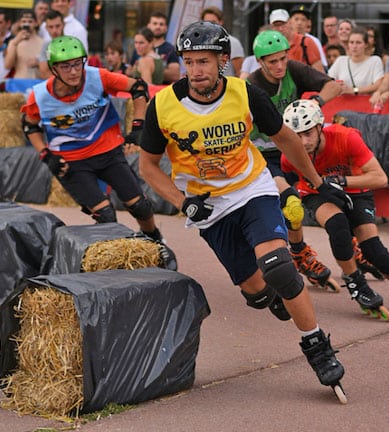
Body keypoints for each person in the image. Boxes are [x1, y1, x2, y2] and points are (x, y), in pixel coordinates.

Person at [138, 21, 348, 400]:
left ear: (222, 61)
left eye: (204, 61)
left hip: (252, 188)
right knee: (255, 291)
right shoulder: (164, 105)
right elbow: (148, 166)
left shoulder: (245, 93)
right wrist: (182, 202)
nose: (196, 70)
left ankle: (316, 346)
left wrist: (317, 183)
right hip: (208, 207)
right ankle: (270, 297)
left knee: (280, 268)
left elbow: (284, 138)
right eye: (189, 62)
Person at [20, 36, 177, 270]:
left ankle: (154, 239)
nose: (74, 71)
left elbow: (138, 87)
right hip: (71, 163)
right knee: (106, 216)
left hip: (107, 152)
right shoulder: (40, 95)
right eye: (66, 66)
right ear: (54, 68)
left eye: (77, 63)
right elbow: (30, 126)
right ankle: (113, 265)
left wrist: (137, 127)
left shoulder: (97, 76)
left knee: (141, 207)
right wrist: (46, 155)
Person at [281, 99, 389, 320]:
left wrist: (340, 180)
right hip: (316, 193)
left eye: (308, 133)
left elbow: (380, 177)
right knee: (337, 224)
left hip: (355, 188)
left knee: (372, 249)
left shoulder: (346, 137)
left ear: (320, 126)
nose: (303, 142)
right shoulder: (289, 154)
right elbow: (288, 183)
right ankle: (355, 282)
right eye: (296, 136)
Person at [247, 29, 341, 291]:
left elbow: (335, 85)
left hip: (292, 149)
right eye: (272, 61)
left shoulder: (293, 70)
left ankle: (354, 247)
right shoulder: (251, 86)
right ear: (260, 62)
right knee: (291, 203)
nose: (279, 66)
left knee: (330, 191)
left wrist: (315, 103)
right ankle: (299, 252)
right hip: (262, 155)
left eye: (282, 59)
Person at [328, 27, 384, 95]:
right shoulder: (341, 60)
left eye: (358, 43)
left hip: (365, 103)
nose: (354, 46)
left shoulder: (375, 61)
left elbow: (378, 85)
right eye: (351, 42)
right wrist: (336, 84)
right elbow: (328, 80)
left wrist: (354, 90)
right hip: (343, 102)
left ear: (365, 44)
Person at [130, 11, 180, 84]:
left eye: (161, 24)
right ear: (148, 26)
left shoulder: (170, 49)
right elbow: (131, 70)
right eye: (155, 23)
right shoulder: (139, 49)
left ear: (166, 28)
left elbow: (175, 75)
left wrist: (148, 68)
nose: (158, 27)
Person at [269, 8, 324, 73]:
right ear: (271, 27)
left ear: (290, 22)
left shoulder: (307, 42)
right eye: (276, 25)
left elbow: (320, 74)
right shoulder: (269, 46)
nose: (280, 28)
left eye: (283, 24)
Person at [200, 6, 245, 78]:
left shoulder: (233, 43)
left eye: (213, 22)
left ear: (220, 22)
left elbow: (239, 72)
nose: (210, 25)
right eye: (206, 22)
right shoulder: (199, 43)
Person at [4, 10, 43, 79]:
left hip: (38, 82)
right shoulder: (13, 42)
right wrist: (15, 44)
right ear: (19, 23)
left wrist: (39, 63)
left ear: (36, 23)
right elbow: (7, 66)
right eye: (24, 21)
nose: (27, 24)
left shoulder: (44, 43)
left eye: (30, 21)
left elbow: (51, 66)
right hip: (20, 82)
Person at [289, 5, 327, 70]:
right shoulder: (284, 39)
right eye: (296, 19)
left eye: (303, 20)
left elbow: (323, 66)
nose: (299, 23)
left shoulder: (314, 41)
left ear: (308, 23)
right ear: (289, 21)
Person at [38, 9, 64, 79]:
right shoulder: (46, 46)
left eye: (57, 26)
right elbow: (43, 73)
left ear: (63, 25)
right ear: (46, 28)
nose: (54, 30)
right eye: (51, 27)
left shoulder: (72, 44)